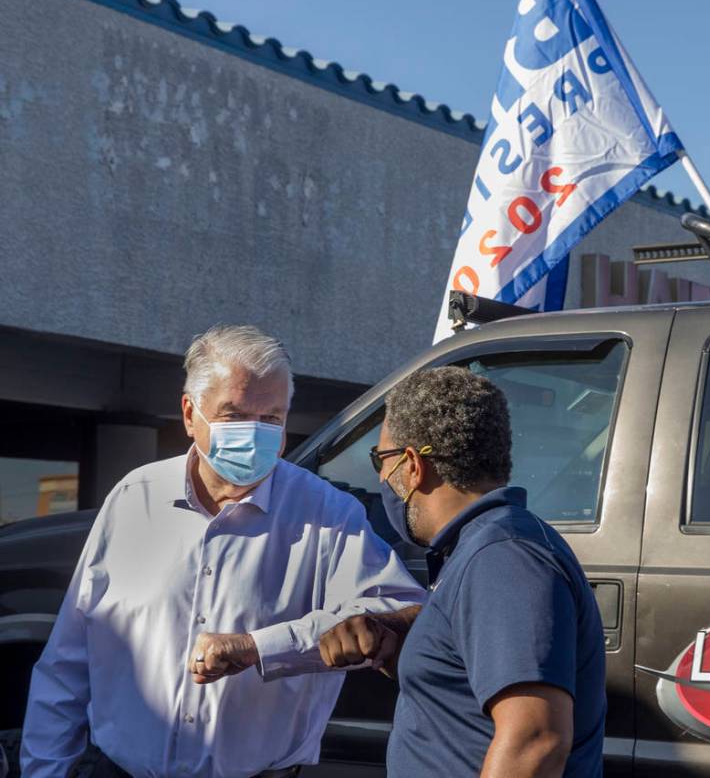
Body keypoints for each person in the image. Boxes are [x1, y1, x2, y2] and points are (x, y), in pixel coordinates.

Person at [21, 324, 425, 778]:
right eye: (233, 415)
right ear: (190, 414)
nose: (254, 434)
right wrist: (45, 771)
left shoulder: (327, 513)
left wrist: (262, 648)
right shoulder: (135, 498)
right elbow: (69, 659)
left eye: (271, 418)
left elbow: (403, 612)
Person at [319, 367, 606, 778]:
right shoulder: (482, 550)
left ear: (412, 465)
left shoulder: (504, 556)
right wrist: (398, 642)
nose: (381, 478)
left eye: (381, 460)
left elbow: (536, 740)